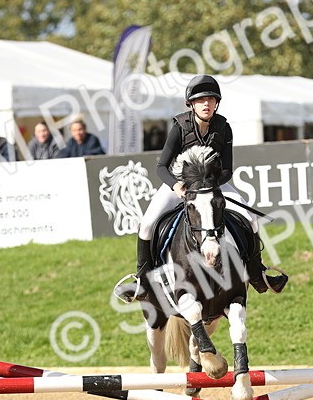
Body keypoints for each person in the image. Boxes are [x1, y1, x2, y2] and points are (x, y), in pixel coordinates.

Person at [113, 74, 288, 303]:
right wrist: (176, 185)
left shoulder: (223, 127)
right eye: (201, 100)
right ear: (192, 104)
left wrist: (210, 187)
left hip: (215, 184)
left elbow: (227, 169)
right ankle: (142, 282)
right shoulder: (179, 127)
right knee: (146, 225)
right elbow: (161, 167)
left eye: (211, 100)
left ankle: (256, 274)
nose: (206, 104)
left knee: (251, 219)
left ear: (216, 103)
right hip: (181, 184)